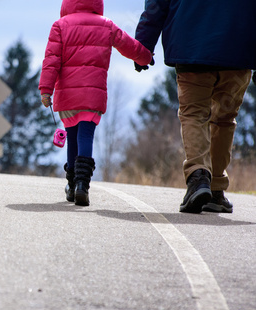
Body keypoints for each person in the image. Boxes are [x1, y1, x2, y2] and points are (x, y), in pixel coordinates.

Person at [135, 0, 256, 214]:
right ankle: (216, 189)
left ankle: (198, 178)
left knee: (194, 114)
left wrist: (143, 45)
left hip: (192, 46)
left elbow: (156, 5)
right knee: (224, 119)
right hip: (238, 49)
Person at [39, 0, 152, 206]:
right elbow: (128, 44)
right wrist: (145, 57)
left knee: (71, 136)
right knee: (86, 136)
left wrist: (46, 90)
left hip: (68, 95)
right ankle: (83, 185)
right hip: (93, 94)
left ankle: (72, 185)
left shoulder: (60, 25)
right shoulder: (106, 24)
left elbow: (51, 59)